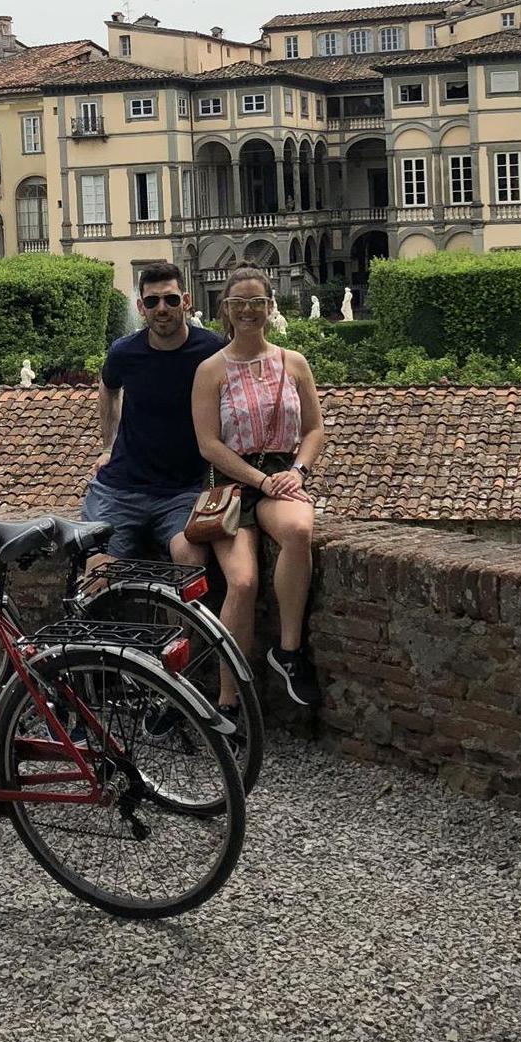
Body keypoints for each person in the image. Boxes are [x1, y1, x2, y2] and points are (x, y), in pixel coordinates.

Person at [190, 265, 326, 709]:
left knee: (299, 532)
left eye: (257, 303)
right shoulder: (210, 370)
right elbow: (209, 444)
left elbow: (314, 429)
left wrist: (298, 471)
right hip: (232, 483)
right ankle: (227, 701)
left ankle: (288, 652)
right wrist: (260, 479)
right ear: (225, 309)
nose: (248, 311)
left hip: (283, 475)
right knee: (243, 582)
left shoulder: (293, 363)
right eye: (238, 303)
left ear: (270, 308)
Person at [82, 260, 224, 564]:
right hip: (119, 489)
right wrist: (108, 445)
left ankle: (180, 614)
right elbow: (108, 388)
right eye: (152, 301)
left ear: (186, 301)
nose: (162, 308)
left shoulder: (212, 350)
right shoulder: (124, 352)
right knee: (98, 569)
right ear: (141, 306)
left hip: (182, 491)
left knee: (191, 559)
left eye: (171, 299)